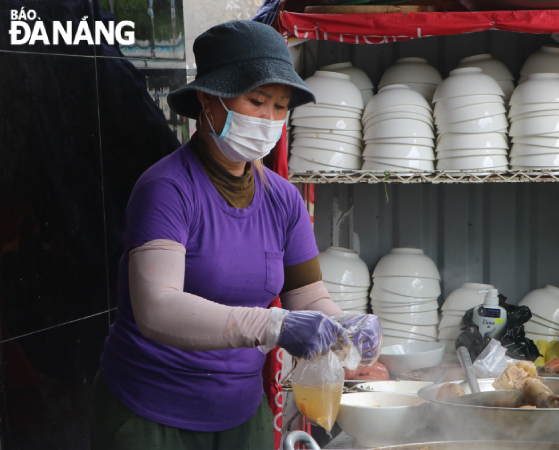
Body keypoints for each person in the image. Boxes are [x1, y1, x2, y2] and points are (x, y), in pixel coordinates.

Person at [90, 20, 382, 450]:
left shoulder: (282, 199)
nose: (269, 119)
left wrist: (342, 326)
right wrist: (273, 323)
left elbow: (308, 296)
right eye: (257, 100)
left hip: (241, 413)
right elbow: (157, 309)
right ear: (209, 99)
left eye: (281, 106)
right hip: (151, 413)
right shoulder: (166, 189)